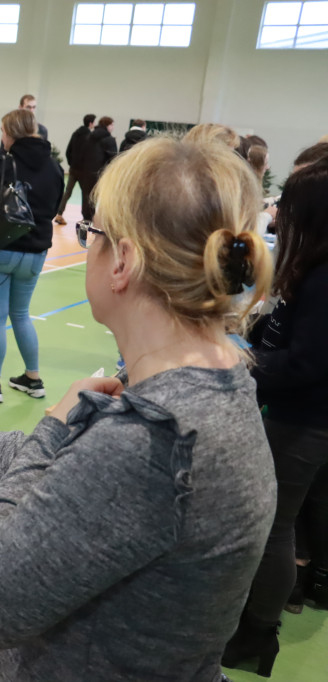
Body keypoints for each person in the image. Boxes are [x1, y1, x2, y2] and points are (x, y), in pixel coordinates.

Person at [0, 135, 277, 682]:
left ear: (123, 260)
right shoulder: (214, 380)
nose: (87, 245)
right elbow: (72, 481)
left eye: (92, 234)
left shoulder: (153, 439)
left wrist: (53, 428)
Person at [223, 157, 328, 677]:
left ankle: (257, 633)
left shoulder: (324, 278)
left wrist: (242, 359)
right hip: (295, 414)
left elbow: (308, 363)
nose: (279, 212)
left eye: (289, 205)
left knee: (274, 526)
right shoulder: (312, 268)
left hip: (304, 420)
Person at [0, 109, 62, 403]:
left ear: (11, 133)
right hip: (36, 253)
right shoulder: (55, 167)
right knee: (21, 315)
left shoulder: (1, 165)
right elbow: (54, 208)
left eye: (3, 131)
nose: (2, 137)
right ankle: (33, 378)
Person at [54, 113, 95, 225]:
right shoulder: (90, 137)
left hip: (73, 169)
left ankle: (59, 214)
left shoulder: (75, 134)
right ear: (91, 123)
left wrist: (71, 163)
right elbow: (89, 154)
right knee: (86, 194)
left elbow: (68, 151)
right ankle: (85, 218)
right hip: (84, 170)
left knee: (67, 192)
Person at [78, 115, 116, 221]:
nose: (113, 127)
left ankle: (87, 219)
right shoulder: (109, 140)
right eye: (112, 125)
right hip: (102, 174)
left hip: (86, 172)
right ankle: (102, 221)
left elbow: (82, 154)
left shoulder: (89, 137)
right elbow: (114, 159)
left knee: (87, 197)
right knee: (104, 198)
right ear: (107, 126)